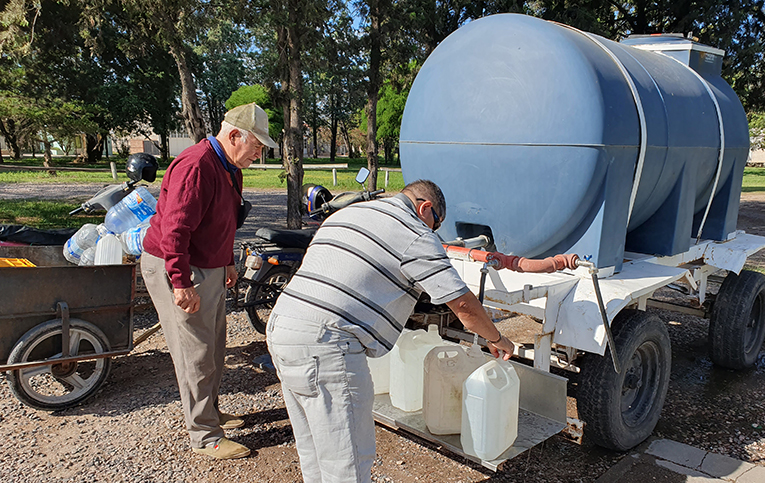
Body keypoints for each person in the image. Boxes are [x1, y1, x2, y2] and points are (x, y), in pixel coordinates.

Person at [266, 180, 517, 482]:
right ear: (425, 208)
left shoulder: (349, 213)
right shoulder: (414, 233)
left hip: (283, 326)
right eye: (436, 224)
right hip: (327, 343)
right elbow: (463, 305)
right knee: (347, 461)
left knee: (314, 448)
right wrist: (497, 338)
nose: (433, 231)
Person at [141, 103, 278, 460]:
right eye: (256, 146)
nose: (259, 154)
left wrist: (226, 261)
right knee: (195, 352)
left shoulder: (229, 167)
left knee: (214, 345)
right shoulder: (197, 165)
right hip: (182, 265)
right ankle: (204, 435)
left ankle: (210, 413)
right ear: (233, 136)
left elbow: (223, 220)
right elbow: (175, 230)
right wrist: (180, 281)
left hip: (208, 265)